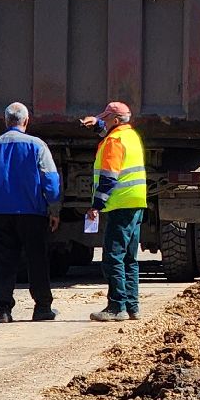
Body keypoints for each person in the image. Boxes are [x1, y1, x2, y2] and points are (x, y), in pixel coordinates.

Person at [0, 102, 61, 322]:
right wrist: (54, 209)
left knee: (3, 261)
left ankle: (3, 310)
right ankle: (42, 308)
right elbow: (50, 180)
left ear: (5, 121)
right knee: (37, 259)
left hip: (1, 214)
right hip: (32, 213)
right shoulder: (38, 146)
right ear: (26, 121)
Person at [81, 100, 147, 321]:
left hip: (120, 204)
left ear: (116, 120)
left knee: (113, 257)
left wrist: (96, 206)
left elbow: (109, 179)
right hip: (136, 203)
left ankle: (116, 306)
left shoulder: (114, 141)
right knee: (130, 258)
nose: (104, 121)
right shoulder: (131, 136)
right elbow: (108, 130)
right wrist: (98, 123)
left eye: (107, 118)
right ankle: (132, 307)